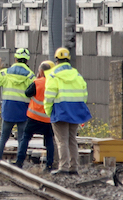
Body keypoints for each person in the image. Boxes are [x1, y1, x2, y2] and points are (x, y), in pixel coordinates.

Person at [0, 48, 35, 175]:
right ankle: (19, 166)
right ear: (27, 60)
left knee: (3, 139)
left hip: (8, 110)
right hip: (23, 111)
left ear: (15, 59)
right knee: (21, 139)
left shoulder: (5, 73)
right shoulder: (30, 75)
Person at [44, 47, 91, 175]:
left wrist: (49, 111)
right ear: (68, 60)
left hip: (60, 111)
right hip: (75, 111)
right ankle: (74, 167)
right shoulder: (77, 75)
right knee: (72, 139)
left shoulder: (53, 75)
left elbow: (49, 96)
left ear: (57, 60)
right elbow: (84, 94)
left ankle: (63, 167)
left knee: (62, 141)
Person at [15, 61, 56, 171]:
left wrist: (37, 79)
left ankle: (19, 162)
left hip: (34, 117)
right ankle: (49, 165)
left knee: (26, 138)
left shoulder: (37, 82)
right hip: (48, 119)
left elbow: (27, 93)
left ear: (41, 71)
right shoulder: (54, 83)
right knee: (49, 141)